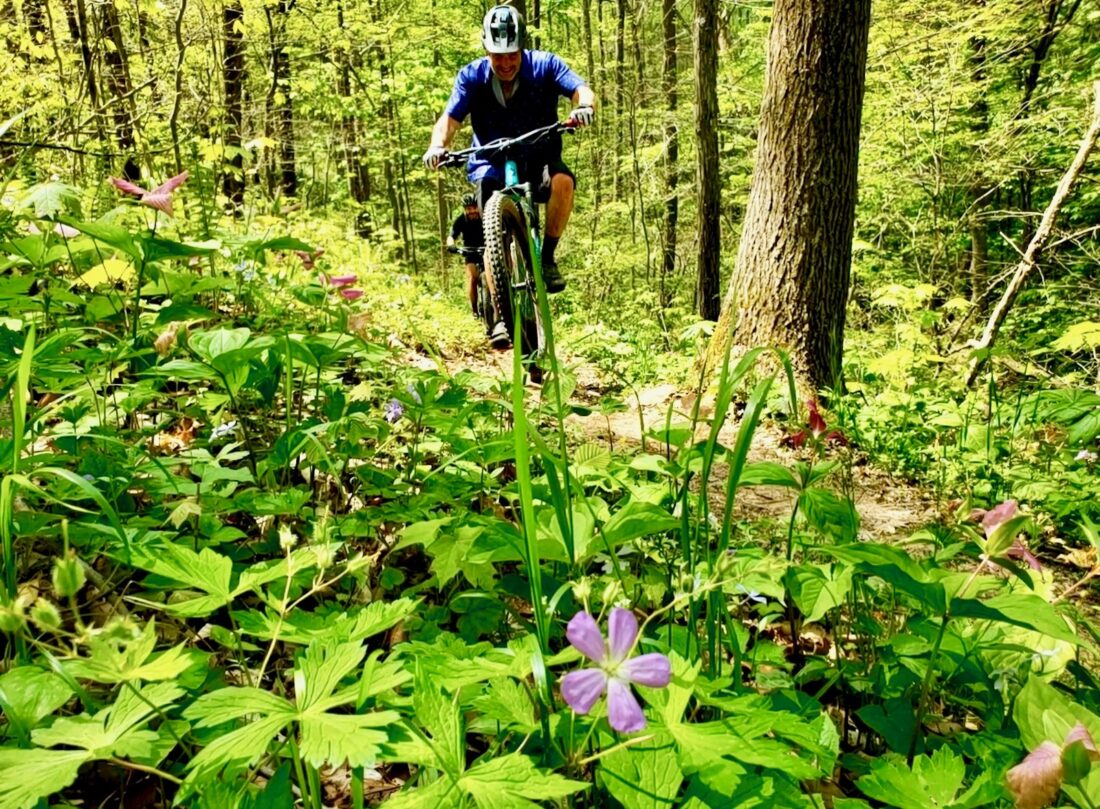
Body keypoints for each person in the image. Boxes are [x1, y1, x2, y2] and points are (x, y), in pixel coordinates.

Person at [423, 4, 596, 349]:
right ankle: (501, 315)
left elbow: (580, 88)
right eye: (497, 56)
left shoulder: (545, 65)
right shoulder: (471, 77)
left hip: (538, 153)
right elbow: (450, 120)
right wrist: (437, 146)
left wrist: (584, 107)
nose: (505, 63)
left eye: (512, 55)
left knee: (563, 182)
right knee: (492, 232)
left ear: (522, 48)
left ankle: (547, 258)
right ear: (486, 50)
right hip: (490, 162)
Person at [447, 193, 486, 323]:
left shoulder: (485, 216)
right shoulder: (461, 220)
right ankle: (474, 310)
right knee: (472, 278)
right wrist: (451, 245)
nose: (473, 211)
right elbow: (452, 235)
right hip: (470, 252)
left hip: (486, 250)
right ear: (465, 209)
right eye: (469, 209)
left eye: (475, 207)